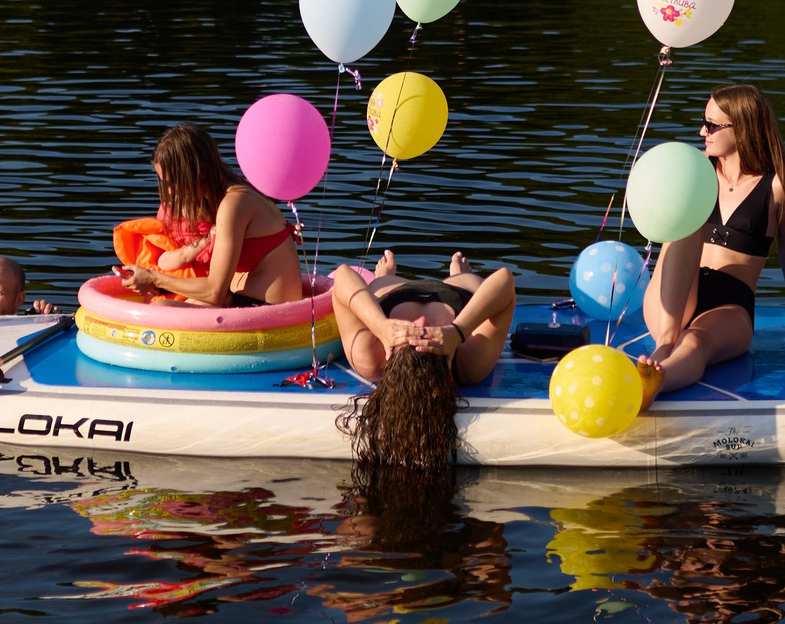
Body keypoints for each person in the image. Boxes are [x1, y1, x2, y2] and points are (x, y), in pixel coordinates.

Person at [643, 83, 785, 397]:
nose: (702, 132)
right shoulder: (693, 172)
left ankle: (654, 383)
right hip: (676, 292)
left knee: (695, 342)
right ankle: (665, 344)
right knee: (687, 216)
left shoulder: (778, 185)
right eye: (703, 123)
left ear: (741, 129)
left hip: (730, 304)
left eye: (712, 125)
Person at [328, 249, 516, 471]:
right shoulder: (468, 365)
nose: (422, 321)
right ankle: (457, 274)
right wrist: (458, 331)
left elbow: (343, 275)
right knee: (466, 280)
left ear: (391, 356)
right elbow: (505, 279)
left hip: (394, 289)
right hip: (458, 291)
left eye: (411, 335)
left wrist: (380, 325)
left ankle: (384, 276)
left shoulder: (370, 358)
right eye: (428, 335)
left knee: (380, 284)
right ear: (446, 365)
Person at [119, 123, 306, 307]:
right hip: (240, 300)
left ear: (196, 173)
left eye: (171, 184)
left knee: (161, 310)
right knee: (162, 305)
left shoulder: (234, 203)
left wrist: (154, 279)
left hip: (268, 309)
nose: (169, 193)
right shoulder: (226, 191)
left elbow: (214, 292)